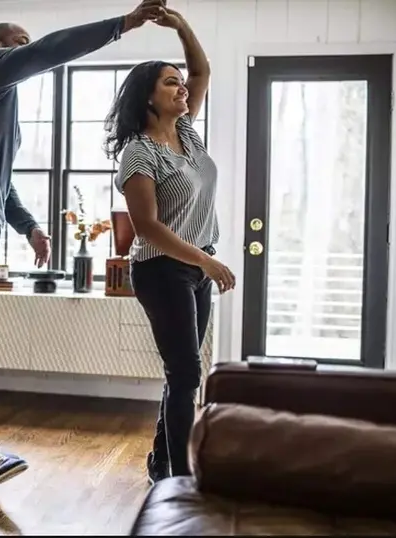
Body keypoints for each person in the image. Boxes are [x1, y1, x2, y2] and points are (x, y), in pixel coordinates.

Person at [0, 0, 169, 494]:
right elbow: (52, 49)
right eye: (19, 43)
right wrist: (123, 24)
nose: (27, 51)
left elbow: (0, 181)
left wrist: (29, 226)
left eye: (27, 45)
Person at [106, 7, 236, 484]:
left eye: (181, 83)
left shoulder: (185, 132)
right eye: (170, 83)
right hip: (161, 269)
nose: (182, 88)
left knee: (182, 374)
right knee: (185, 374)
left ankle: (162, 465)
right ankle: (181, 479)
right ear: (148, 98)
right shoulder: (138, 153)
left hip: (194, 267)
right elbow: (147, 227)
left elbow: (202, 72)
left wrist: (181, 26)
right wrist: (206, 261)